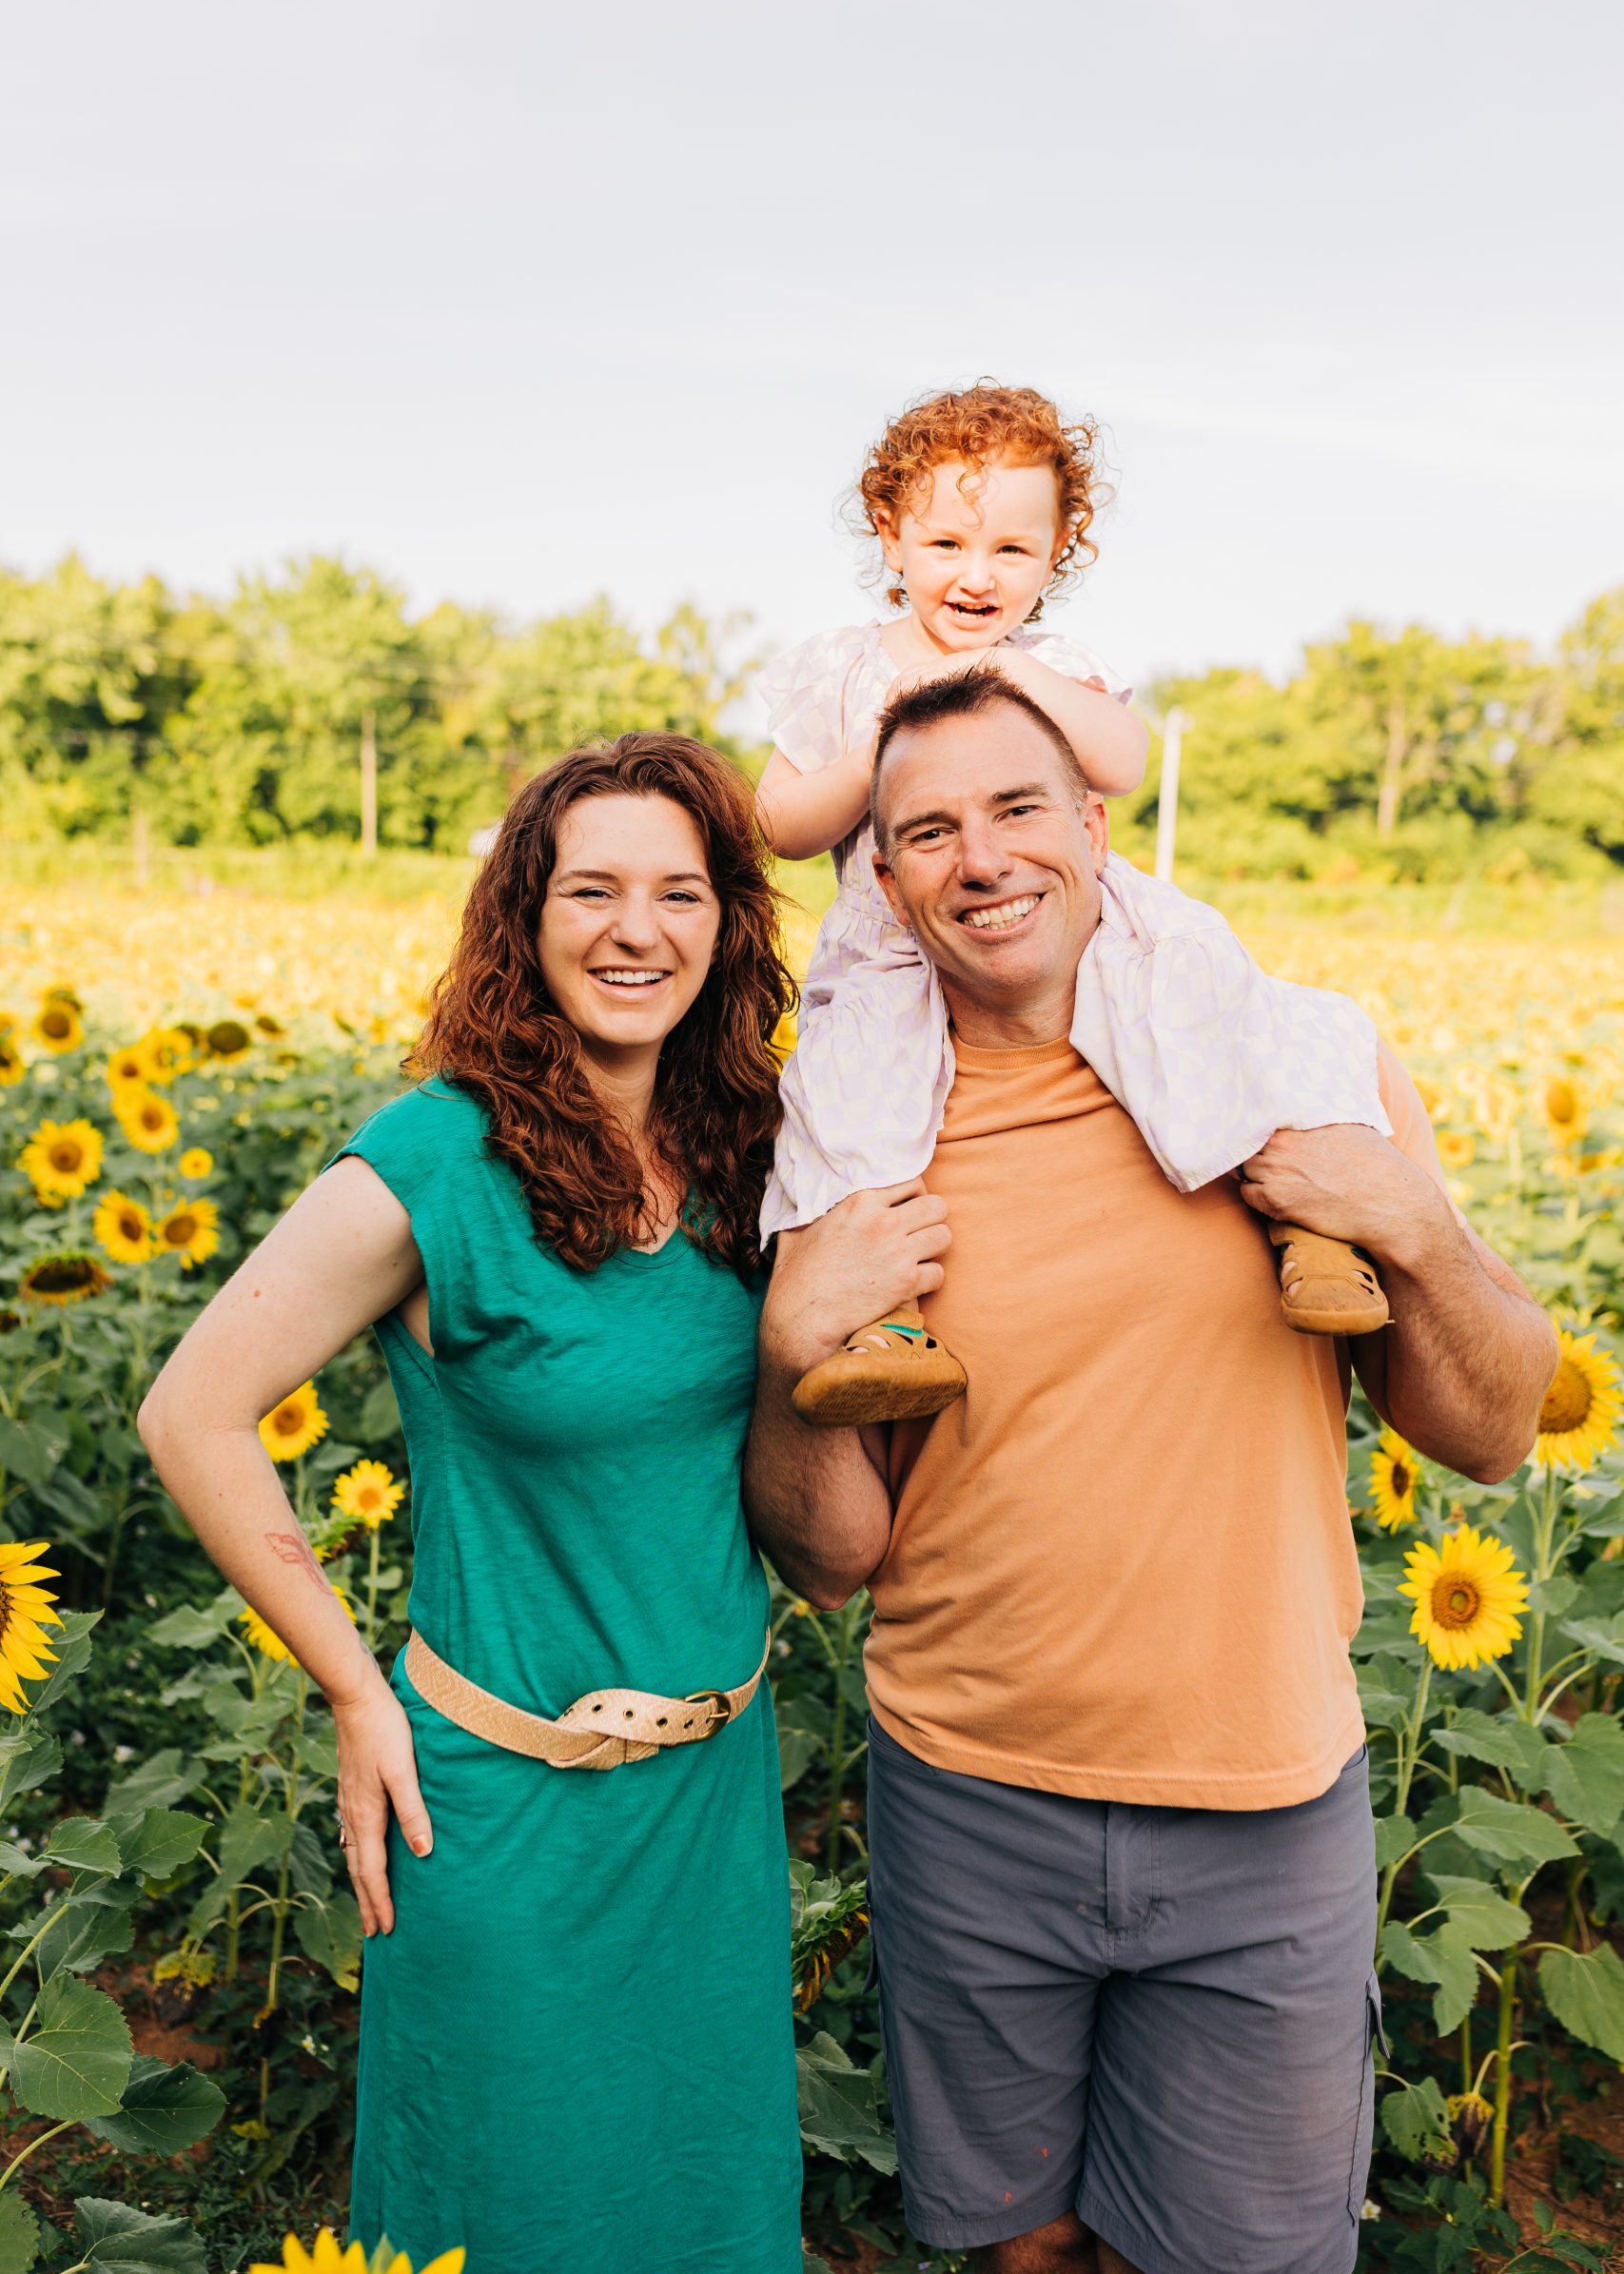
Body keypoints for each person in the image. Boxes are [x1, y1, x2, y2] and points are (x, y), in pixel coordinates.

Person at [745, 666, 1557, 2274]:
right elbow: (830, 1551)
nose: (979, 859)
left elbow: (1489, 1429)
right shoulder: (859, 1138)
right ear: (883, 882)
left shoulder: (1291, 1074)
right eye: (925, 832)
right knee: (1019, 2249)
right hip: (968, 1795)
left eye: (1015, 809)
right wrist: (790, 1365)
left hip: (1259, 1801)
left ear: (1096, 824)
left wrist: (1408, 1228)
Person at [138, 735, 805, 2274]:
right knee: (514, 2212)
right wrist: (354, 1690)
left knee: (705, 2210)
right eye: (591, 890)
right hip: (503, 1808)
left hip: (708, 1804)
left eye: (677, 894)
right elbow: (194, 1412)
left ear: (727, 926)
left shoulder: (744, 1147)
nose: (635, 930)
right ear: (526, 914)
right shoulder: (441, 1155)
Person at [754, 382, 1398, 1430]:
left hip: (1075, 926)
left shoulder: (1049, 666)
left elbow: (1123, 758)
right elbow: (780, 821)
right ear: (890, 534)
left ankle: (1312, 1223)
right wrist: (889, 737)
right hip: (894, 937)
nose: (977, 575)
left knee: (1221, 998)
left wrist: (1007, 674)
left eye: (1013, 550)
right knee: (843, 1090)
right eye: (948, 542)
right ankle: (890, 1321)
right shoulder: (846, 671)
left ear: (1057, 554)